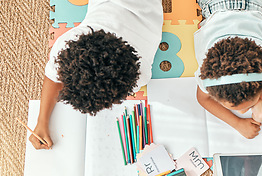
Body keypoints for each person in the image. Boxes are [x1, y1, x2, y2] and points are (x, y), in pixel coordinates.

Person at [29, 0, 163, 150]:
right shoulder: (70, 41)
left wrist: (42, 121)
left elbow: (53, 77)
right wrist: (42, 121)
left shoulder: (141, 74)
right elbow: (53, 78)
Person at [194, 0, 262, 139]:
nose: (243, 112)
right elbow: (203, 99)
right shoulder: (208, 74)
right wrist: (237, 122)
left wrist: (260, 115)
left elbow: (203, 99)